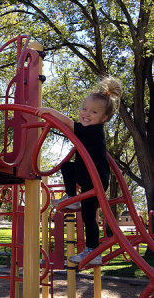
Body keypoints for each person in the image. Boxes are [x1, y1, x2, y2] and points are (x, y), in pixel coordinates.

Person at [36, 76, 122, 266]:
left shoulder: (94, 130)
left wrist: (50, 111)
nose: (86, 114)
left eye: (93, 112)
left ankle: (93, 251)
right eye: (84, 109)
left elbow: (69, 124)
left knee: (89, 217)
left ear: (104, 118)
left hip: (95, 180)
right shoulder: (89, 130)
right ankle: (71, 198)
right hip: (87, 176)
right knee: (67, 166)